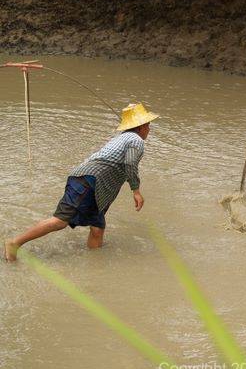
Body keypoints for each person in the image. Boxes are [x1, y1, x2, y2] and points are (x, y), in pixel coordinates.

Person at [4, 103, 159, 262]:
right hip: (89, 181)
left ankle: (95, 267)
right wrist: (136, 190)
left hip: (92, 184)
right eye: (148, 125)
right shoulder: (136, 140)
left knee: (97, 228)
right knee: (60, 221)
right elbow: (130, 164)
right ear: (141, 127)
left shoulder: (121, 138)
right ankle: (15, 243)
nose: (149, 129)